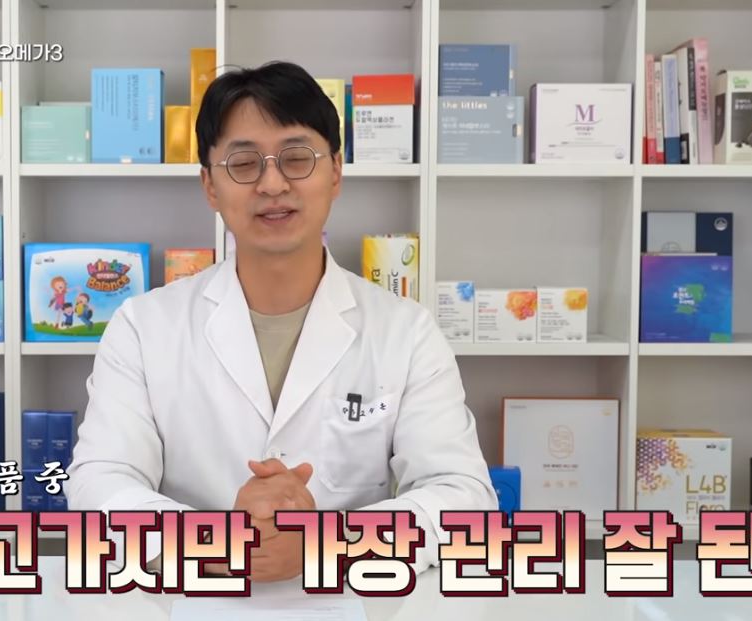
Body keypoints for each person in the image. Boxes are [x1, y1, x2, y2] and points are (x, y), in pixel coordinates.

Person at [65, 60, 497, 582]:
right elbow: (98, 481)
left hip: (350, 597)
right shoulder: (143, 327)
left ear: (335, 171)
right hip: (194, 596)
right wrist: (213, 543)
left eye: (296, 158)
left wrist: (331, 544)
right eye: (244, 163)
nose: (272, 184)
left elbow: (462, 494)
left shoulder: (406, 332)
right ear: (209, 185)